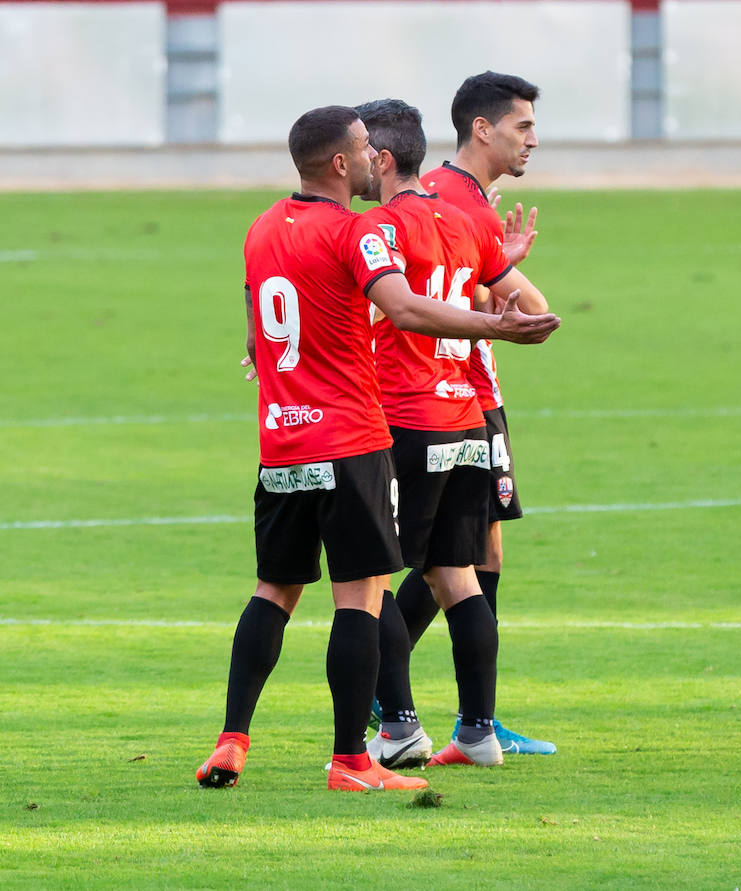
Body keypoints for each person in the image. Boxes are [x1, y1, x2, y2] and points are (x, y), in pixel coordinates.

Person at [195, 105, 559, 792]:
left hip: (281, 441)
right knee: (361, 597)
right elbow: (407, 308)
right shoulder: (359, 231)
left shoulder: (264, 225)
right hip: (352, 438)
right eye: (364, 149)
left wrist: (258, 343)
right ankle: (354, 760)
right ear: (340, 164)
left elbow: (258, 304)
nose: (374, 158)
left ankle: (231, 739)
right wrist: (495, 324)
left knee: (273, 590)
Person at [354, 99, 556, 769]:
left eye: (357, 152)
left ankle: (399, 726)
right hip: (466, 418)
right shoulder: (465, 219)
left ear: (380, 158)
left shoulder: (379, 227)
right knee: (457, 574)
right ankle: (477, 732)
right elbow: (509, 300)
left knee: (370, 578)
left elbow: (399, 309)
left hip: (403, 418)